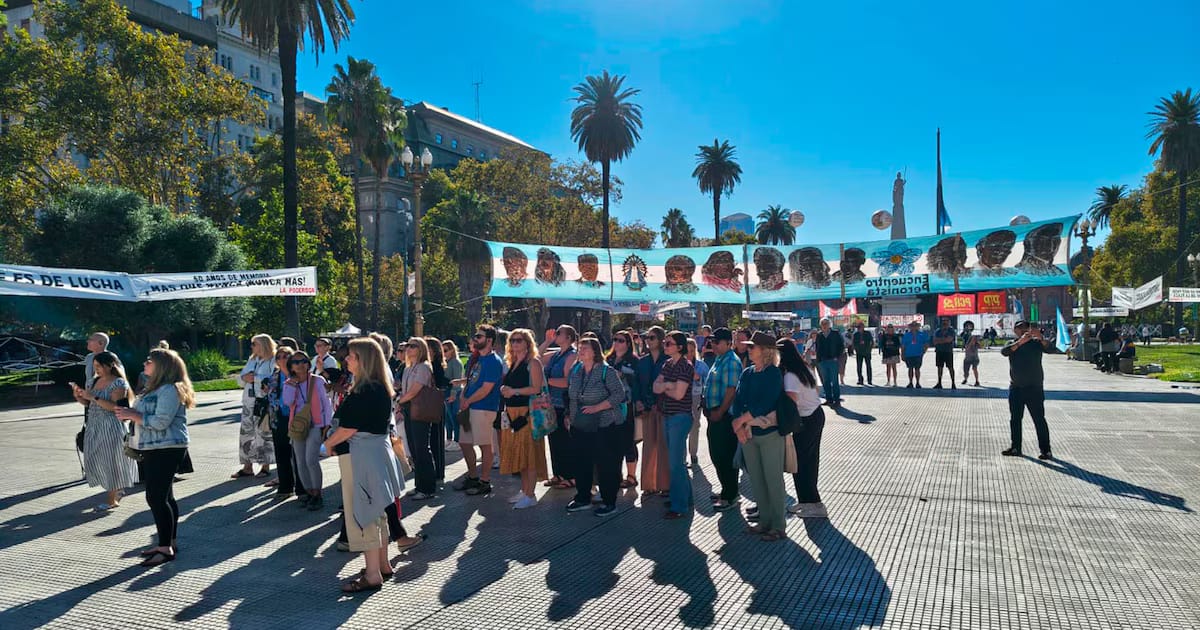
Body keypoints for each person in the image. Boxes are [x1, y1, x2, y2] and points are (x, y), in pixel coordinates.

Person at [322, 338, 406, 593]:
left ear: (364, 360)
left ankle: (372, 574)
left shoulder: (366, 389)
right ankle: (382, 564)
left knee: (365, 512)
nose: (346, 359)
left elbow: (350, 427)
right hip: (375, 451)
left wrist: (328, 444)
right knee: (378, 510)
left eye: (351, 356)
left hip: (363, 454)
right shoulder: (376, 386)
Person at [115, 348, 194, 567]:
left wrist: (134, 415)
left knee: (156, 497)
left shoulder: (169, 389)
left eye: (149, 361)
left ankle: (165, 548)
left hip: (166, 447)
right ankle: (169, 542)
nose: (145, 363)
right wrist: (130, 414)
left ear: (162, 366)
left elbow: (161, 422)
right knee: (165, 496)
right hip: (154, 447)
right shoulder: (154, 388)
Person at [730, 332, 786, 541]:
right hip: (748, 433)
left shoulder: (773, 373)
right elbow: (738, 399)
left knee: (773, 479)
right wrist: (739, 426)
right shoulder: (747, 373)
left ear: (765, 350)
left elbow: (767, 402)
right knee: (757, 480)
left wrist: (740, 421)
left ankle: (778, 525)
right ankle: (764, 521)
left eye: (752, 346)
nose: (749, 349)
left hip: (769, 433)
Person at [566, 336, 628, 517]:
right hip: (580, 425)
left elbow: (619, 394)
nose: (581, 351)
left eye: (585, 348)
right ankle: (583, 498)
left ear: (595, 351)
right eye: (580, 348)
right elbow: (572, 396)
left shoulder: (606, 371)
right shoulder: (576, 370)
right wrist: (569, 416)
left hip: (604, 425)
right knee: (581, 462)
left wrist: (597, 407)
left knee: (606, 464)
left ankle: (609, 502)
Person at [71, 351, 136, 511]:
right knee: (95, 459)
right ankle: (117, 489)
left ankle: (112, 499)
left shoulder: (119, 383)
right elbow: (89, 404)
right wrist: (79, 396)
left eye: (99, 366)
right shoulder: (93, 381)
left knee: (111, 462)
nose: (96, 369)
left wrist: (93, 397)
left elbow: (116, 407)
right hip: (94, 426)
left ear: (110, 365)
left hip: (111, 426)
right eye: (95, 366)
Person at [499, 329, 549, 509]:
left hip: (527, 414)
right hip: (512, 413)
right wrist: (505, 389)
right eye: (512, 340)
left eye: (519, 340)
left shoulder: (533, 362)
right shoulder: (513, 362)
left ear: (528, 343)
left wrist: (514, 391)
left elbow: (536, 388)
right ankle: (525, 490)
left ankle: (531, 494)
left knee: (529, 455)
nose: (514, 343)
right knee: (520, 455)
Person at [778, 340, 826, 519]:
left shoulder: (790, 375)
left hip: (806, 419)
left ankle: (814, 504)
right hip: (815, 414)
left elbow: (791, 402)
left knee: (802, 463)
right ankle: (807, 501)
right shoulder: (804, 368)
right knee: (809, 461)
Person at [454, 325, 503, 496]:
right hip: (470, 407)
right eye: (475, 336)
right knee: (464, 443)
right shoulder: (477, 359)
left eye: (479, 336)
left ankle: (485, 481)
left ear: (489, 340)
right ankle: (473, 476)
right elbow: (470, 381)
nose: (475, 339)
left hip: (483, 408)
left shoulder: (494, 361)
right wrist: (463, 397)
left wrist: (468, 400)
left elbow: (486, 389)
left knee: (484, 445)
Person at [652, 331, 695, 520]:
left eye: (669, 343)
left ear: (680, 347)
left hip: (680, 417)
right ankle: (685, 498)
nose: (665, 346)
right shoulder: (667, 364)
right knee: (677, 462)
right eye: (665, 342)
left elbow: (679, 394)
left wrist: (665, 386)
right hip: (668, 416)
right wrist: (670, 385)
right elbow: (655, 387)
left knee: (675, 463)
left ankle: (679, 506)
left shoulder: (685, 366)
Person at [283, 351, 331, 509]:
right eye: (296, 362)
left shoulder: (317, 381)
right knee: (300, 461)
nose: (300, 365)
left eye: (303, 361)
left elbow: (326, 404)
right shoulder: (289, 383)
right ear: (291, 366)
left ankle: (317, 494)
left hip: (316, 424)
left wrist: (326, 424)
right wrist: (292, 385)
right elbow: (288, 401)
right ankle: (309, 492)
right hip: (297, 426)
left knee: (311, 460)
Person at [702, 327, 742, 512]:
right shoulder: (720, 359)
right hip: (715, 414)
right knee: (717, 455)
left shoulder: (731, 361)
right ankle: (727, 490)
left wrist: (720, 411)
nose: (713, 344)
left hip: (724, 416)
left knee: (725, 456)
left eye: (717, 342)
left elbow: (731, 390)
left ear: (728, 343)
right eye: (712, 341)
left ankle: (730, 495)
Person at [1000, 321, 1053, 460]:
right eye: (1020, 327)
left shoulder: (1036, 343)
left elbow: (1051, 348)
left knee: (1039, 419)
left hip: (1034, 388)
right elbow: (1004, 352)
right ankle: (1015, 447)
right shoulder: (1012, 343)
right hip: (1016, 388)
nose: (1024, 330)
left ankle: (1046, 450)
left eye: (1026, 327)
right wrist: (1020, 342)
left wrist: (1041, 338)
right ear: (1015, 330)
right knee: (1015, 419)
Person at [395, 338, 439, 500]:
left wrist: (399, 401)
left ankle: (428, 488)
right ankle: (419, 485)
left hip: (420, 410)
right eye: (407, 345)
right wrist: (401, 404)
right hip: (409, 409)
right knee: (414, 448)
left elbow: (415, 390)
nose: (408, 348)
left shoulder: (423, 367)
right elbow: (406, 390)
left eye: (413, 346)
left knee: (422, 449)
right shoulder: (408, 368)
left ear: (421, 349)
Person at [539, 325, 579, 490]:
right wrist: (547, 342)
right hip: (551, 404)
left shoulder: (572, 355)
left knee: (565, 441)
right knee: (554, 441)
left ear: (568, 337)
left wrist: (546, 381)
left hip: (563, 404)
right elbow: (536, 358)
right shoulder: (556, 354)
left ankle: (570, 476)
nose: (555, 334)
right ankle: (558, 474)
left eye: (559, 333)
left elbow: (567, 381)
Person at [233, 334, 275, 479]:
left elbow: (272, 379)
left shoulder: (272, 360)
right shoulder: (252, 360)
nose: (251, 346)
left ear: (263, 344)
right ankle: (247, 466)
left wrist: (255, 379)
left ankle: (265, 466)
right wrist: (244, 378)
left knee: (263, 433)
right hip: (248, 402)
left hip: (263, 402)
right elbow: (240, 379)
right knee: (246, 433)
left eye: (254, 343)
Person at [636, 326, 670, 496]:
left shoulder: (668, 360)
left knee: (664, 447)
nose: (648, 341)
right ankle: (649, 484)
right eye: (647, 338)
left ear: (661, 340)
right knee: (649, 447)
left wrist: (660, 402)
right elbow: (637, 384)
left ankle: (665, 485)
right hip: (647, 408)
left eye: (652, 338)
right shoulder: (642, 361)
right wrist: (638, 401)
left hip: (664, 408)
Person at [264, 347, 302, 499]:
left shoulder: (299, 375)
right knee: (281, 453)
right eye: (278, 357)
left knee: (298, 455)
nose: (282, 359)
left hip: (297, 419)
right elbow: (270, 395)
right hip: (278, 418)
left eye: (285, 356)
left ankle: (302, 488)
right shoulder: (274, 376)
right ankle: (285, 487)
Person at [606, 330, 641, 489]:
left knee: (628, 440)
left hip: (626, 404)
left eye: (621, 340)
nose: (617, 343)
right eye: (615, 339)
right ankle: (616, 474)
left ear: (628, 343)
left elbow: (638, 381)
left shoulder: (634, 360)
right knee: (612, 440)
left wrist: (623, 375)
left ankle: (631, 476)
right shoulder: (608, 359)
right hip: (608, 405)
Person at [425, 336, 449, 479]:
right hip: (431, 405)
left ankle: (438, 471)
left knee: (436, 439)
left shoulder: (436, 366)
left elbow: (441, 383)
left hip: (435, 405)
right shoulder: (428, 365)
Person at [686, 338, 710, 468]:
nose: (689, 354)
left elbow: (708, 381)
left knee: (694, 426)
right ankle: (682, 457)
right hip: (680, 398)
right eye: (687, 351)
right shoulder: (678, 363)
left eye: (692, 351)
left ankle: (693, 454)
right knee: (681, 427)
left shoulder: (701, 365)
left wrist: (699, 377)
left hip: (696, 397)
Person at [814, 318, 844, 407]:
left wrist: (837, 357)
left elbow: (841, 346)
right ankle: (829, 399)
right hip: (822, 361)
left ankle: (837, 400)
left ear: (829, 324)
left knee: (834, 381)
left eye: (826, 323)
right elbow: (817, 348)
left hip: (833, 360)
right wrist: (818, 360)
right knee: (825, 381)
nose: (824, 325)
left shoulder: (835, 333)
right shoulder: (819, 335)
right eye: (823, 324)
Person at [442, 340, 465, 451]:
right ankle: (449, 439)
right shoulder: (447, 362)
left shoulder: (455, 362)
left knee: (455, 418)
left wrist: (453, 394)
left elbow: (457, 380)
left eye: (445, 350)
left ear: (452, 350)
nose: (444, 352)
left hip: (454, 393)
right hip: (447, 393)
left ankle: (457, 440)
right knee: (448, 418)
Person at [901, 322, 931, 388]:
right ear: (910, 327)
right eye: (912, 326)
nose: (914, 327)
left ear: (918, 327)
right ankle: (910, 382)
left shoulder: (922, 334)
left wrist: (924, 351)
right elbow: (903, 346)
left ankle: (918, 382)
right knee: (910, 369)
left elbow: (926, 343)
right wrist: (902, 354)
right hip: (909, 354)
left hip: (918, 354)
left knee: (917, 369)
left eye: (915, 326)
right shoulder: (906, 335)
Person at [932, 317, 958, 390]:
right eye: (943, 321)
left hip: (948, 351)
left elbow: (949, 339)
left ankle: (953, 383)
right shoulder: (938, 331)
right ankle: (939, 383)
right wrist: (944, 340)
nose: (945, 322)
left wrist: (939, 340)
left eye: (946, 321)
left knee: (950, 367)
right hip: (939, 351)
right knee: (939, 367)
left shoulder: (951, 331)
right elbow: (934, 341)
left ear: (949, 322)